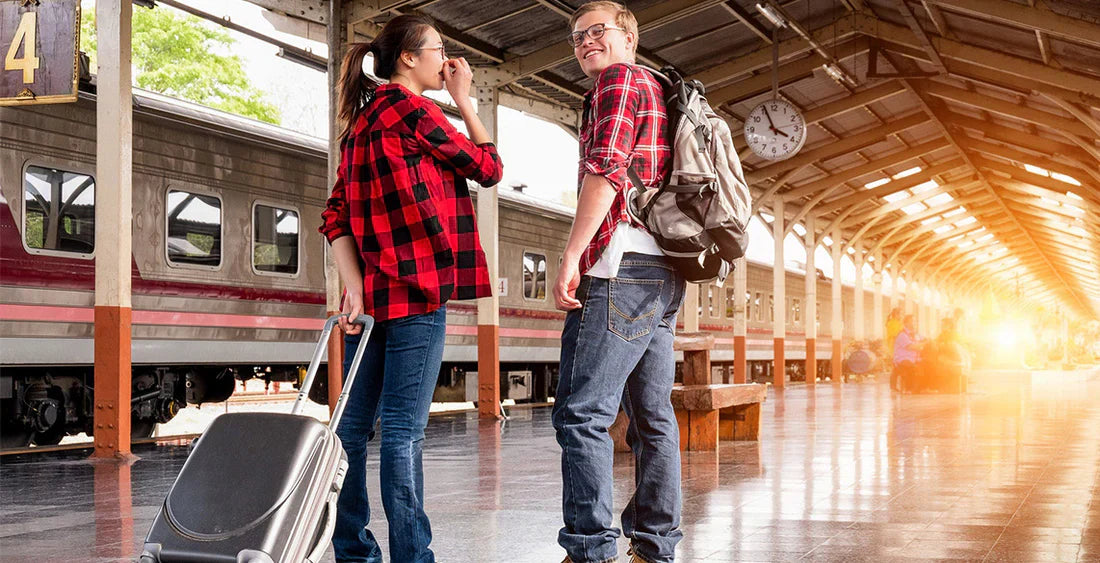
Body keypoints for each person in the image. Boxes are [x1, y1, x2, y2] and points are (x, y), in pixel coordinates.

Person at [318, 14, 503, 563]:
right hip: (418, 297)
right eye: (438, 49)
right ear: (408, 58)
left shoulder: (361, 124)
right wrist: (464, 99)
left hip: (372, 304)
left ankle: (354, 552)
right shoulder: (416, 111)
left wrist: (354, 289)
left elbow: (334, 215)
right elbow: (488, 167)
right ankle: (412, 556)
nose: (445, 60)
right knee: (402, 433)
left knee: (351, 431)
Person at [551, 3, 685, 562]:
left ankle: (590, 550)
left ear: (630, 37)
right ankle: (654, 545)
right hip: (663, 270)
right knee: (653, 418)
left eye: (597, 31)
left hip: (620, 266)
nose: (586, 42)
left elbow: (606, 168)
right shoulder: (656, 86)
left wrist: (572, 254)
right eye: (577, 37)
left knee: (582, 413)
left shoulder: (619, 80)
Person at [893, 315, 925, 393]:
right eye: (912, 321)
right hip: (903, 359)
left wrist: (927, 342)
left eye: (915, 321)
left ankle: (924, 388)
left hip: (915, 359)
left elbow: (925, 340)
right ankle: (909, 389)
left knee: (928, 364)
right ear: (906, 323)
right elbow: (911, 347)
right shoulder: (902, 335)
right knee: (913, 367)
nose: (914, 323)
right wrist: (924, 344)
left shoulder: (917, 334)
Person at [885, 308, 903, 389]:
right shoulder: (892, 323)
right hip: (894, 347)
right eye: (901, 314)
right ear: (896, 314)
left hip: (897, 347)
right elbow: (895, 335)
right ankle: (893, 386)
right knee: (896, 367)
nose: (902, 316)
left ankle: (894, 386)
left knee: (897, 367)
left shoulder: (898, 323)